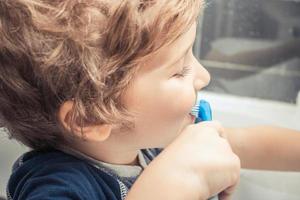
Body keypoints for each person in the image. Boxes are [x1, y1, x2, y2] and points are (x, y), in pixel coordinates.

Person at [0, 1, 298, 200]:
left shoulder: (153, 138)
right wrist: (176, 180)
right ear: (91, 117)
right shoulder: (56, 186)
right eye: (179, 70)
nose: (203, 76)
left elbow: (247, 143)